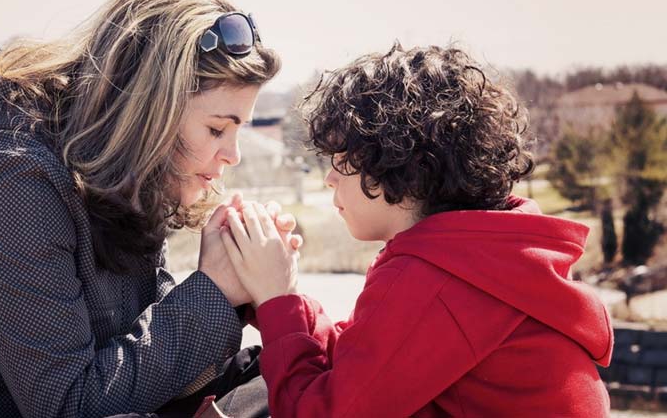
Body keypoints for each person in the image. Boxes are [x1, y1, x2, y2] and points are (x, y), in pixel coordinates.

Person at [0, 0, 296, 417]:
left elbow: (146, 366)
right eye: (217, 128)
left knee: (278, 386)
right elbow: (71, 406)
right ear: (148, 111)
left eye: (239, 130)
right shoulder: (4, 179)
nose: (232, 155)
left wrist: (236, 284)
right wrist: (213, 293)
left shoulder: (120, 189)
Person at [216, 44, 614, 417]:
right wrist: (279, 298)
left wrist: (275, 301)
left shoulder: (437, 281)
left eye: (342, 159)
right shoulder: (481, 259)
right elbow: (371, 366)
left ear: (401, 163)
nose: (330, 179)